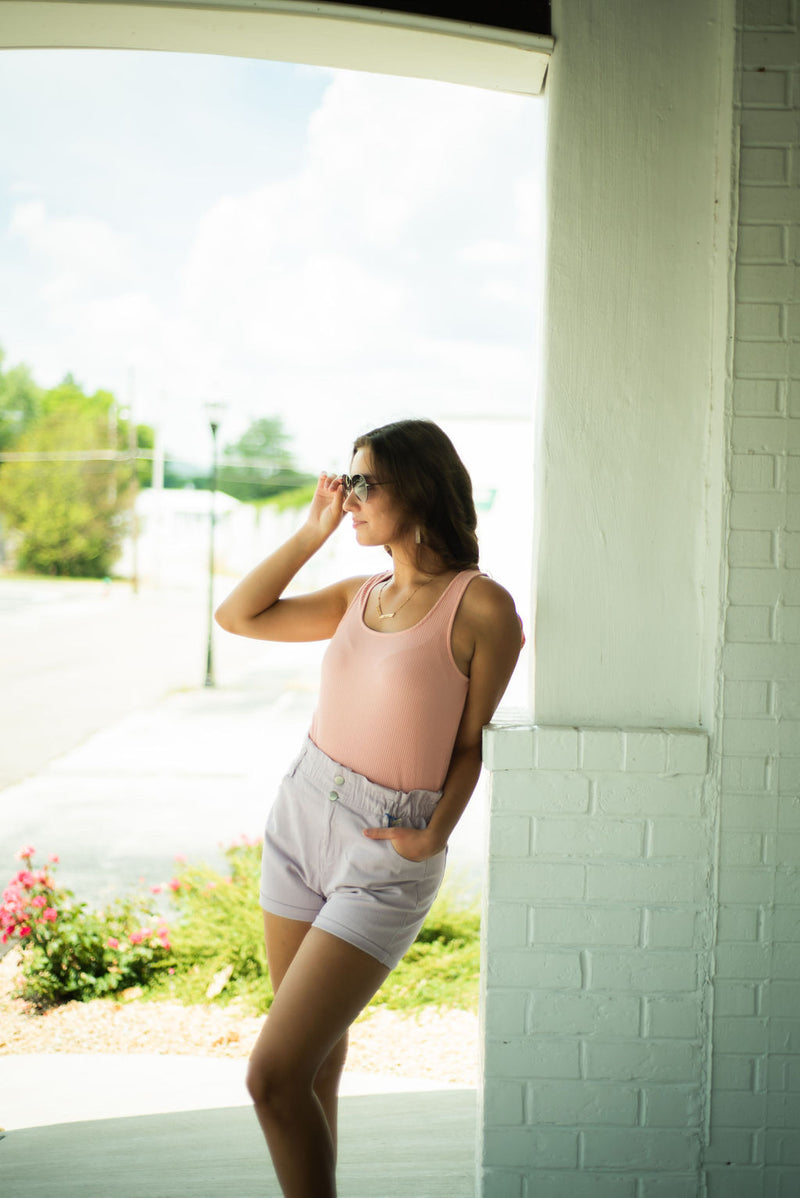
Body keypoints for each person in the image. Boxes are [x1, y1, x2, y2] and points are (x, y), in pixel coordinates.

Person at [214, 418, 523, 1197]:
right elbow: (238, 616)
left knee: (271, 1076)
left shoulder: (482, 608)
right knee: (314, 1063)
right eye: (345, 481)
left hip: (388, 847)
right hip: (301, 819)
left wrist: (435, 836)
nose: (346, 497)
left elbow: (472, 744)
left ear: (416, 488)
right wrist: (311, 533)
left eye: (362, 483)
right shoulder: (359, 595)